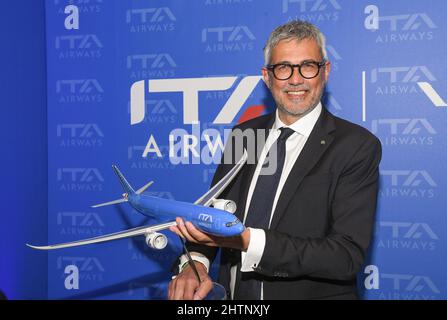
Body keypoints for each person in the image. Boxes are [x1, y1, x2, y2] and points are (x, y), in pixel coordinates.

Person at [168, 20, 381, 300]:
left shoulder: (355, 146)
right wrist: (194, 263)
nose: (296, 79)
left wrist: (245, 240)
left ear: (325, 72)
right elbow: (215, 216)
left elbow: (345, 256)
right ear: (267, 77)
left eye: (308, 66)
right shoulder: (244, 135)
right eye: (283, 68)